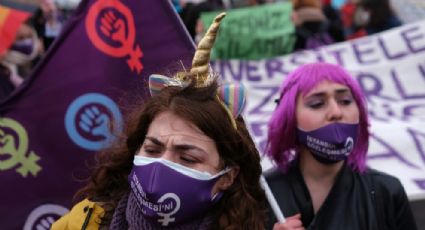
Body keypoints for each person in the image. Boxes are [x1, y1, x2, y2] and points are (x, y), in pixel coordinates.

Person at [52, 13, 266, 229]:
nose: (162, 165)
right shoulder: (83, 222)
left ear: (227, 177)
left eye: (188, 158)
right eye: (153, 150)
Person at [264, 63, 417, 230]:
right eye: (316, 103)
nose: (336, 112)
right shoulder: (262, 192)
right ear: (289, 117)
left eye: (345, 101)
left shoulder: (385, 191)